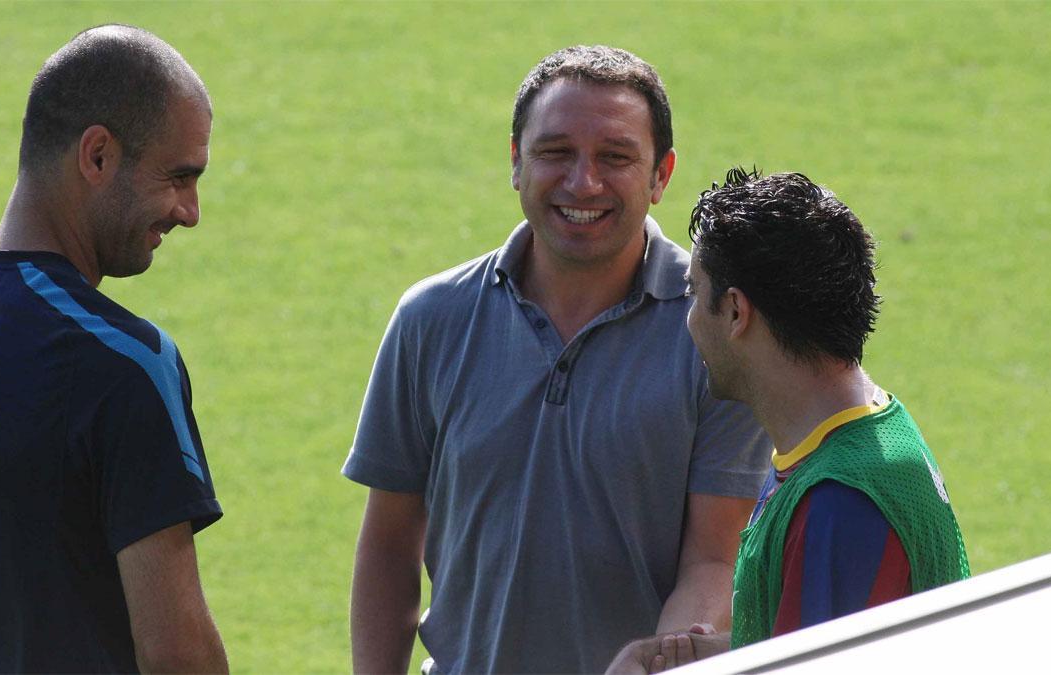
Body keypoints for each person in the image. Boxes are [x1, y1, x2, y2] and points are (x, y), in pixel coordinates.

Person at [343, 46, 770, 674]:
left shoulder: (717, 330)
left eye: (616, 157)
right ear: (516, 162)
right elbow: (388, 545)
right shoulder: (430, 319)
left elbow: (713, 558)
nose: (583, 183)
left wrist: (658, 661)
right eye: (555, 153)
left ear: (661, 175)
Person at [0, 25, 228, 672]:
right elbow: (176, 654)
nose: (191, 211)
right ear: (96, 156)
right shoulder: (125, 362)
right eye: (179, 177)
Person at [614, 168, 970, 671]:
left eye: (695, 295)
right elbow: (804, 637)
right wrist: (689, 657)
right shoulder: (852, 437)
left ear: (736, 312)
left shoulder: (840, 503)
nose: (688, 321)